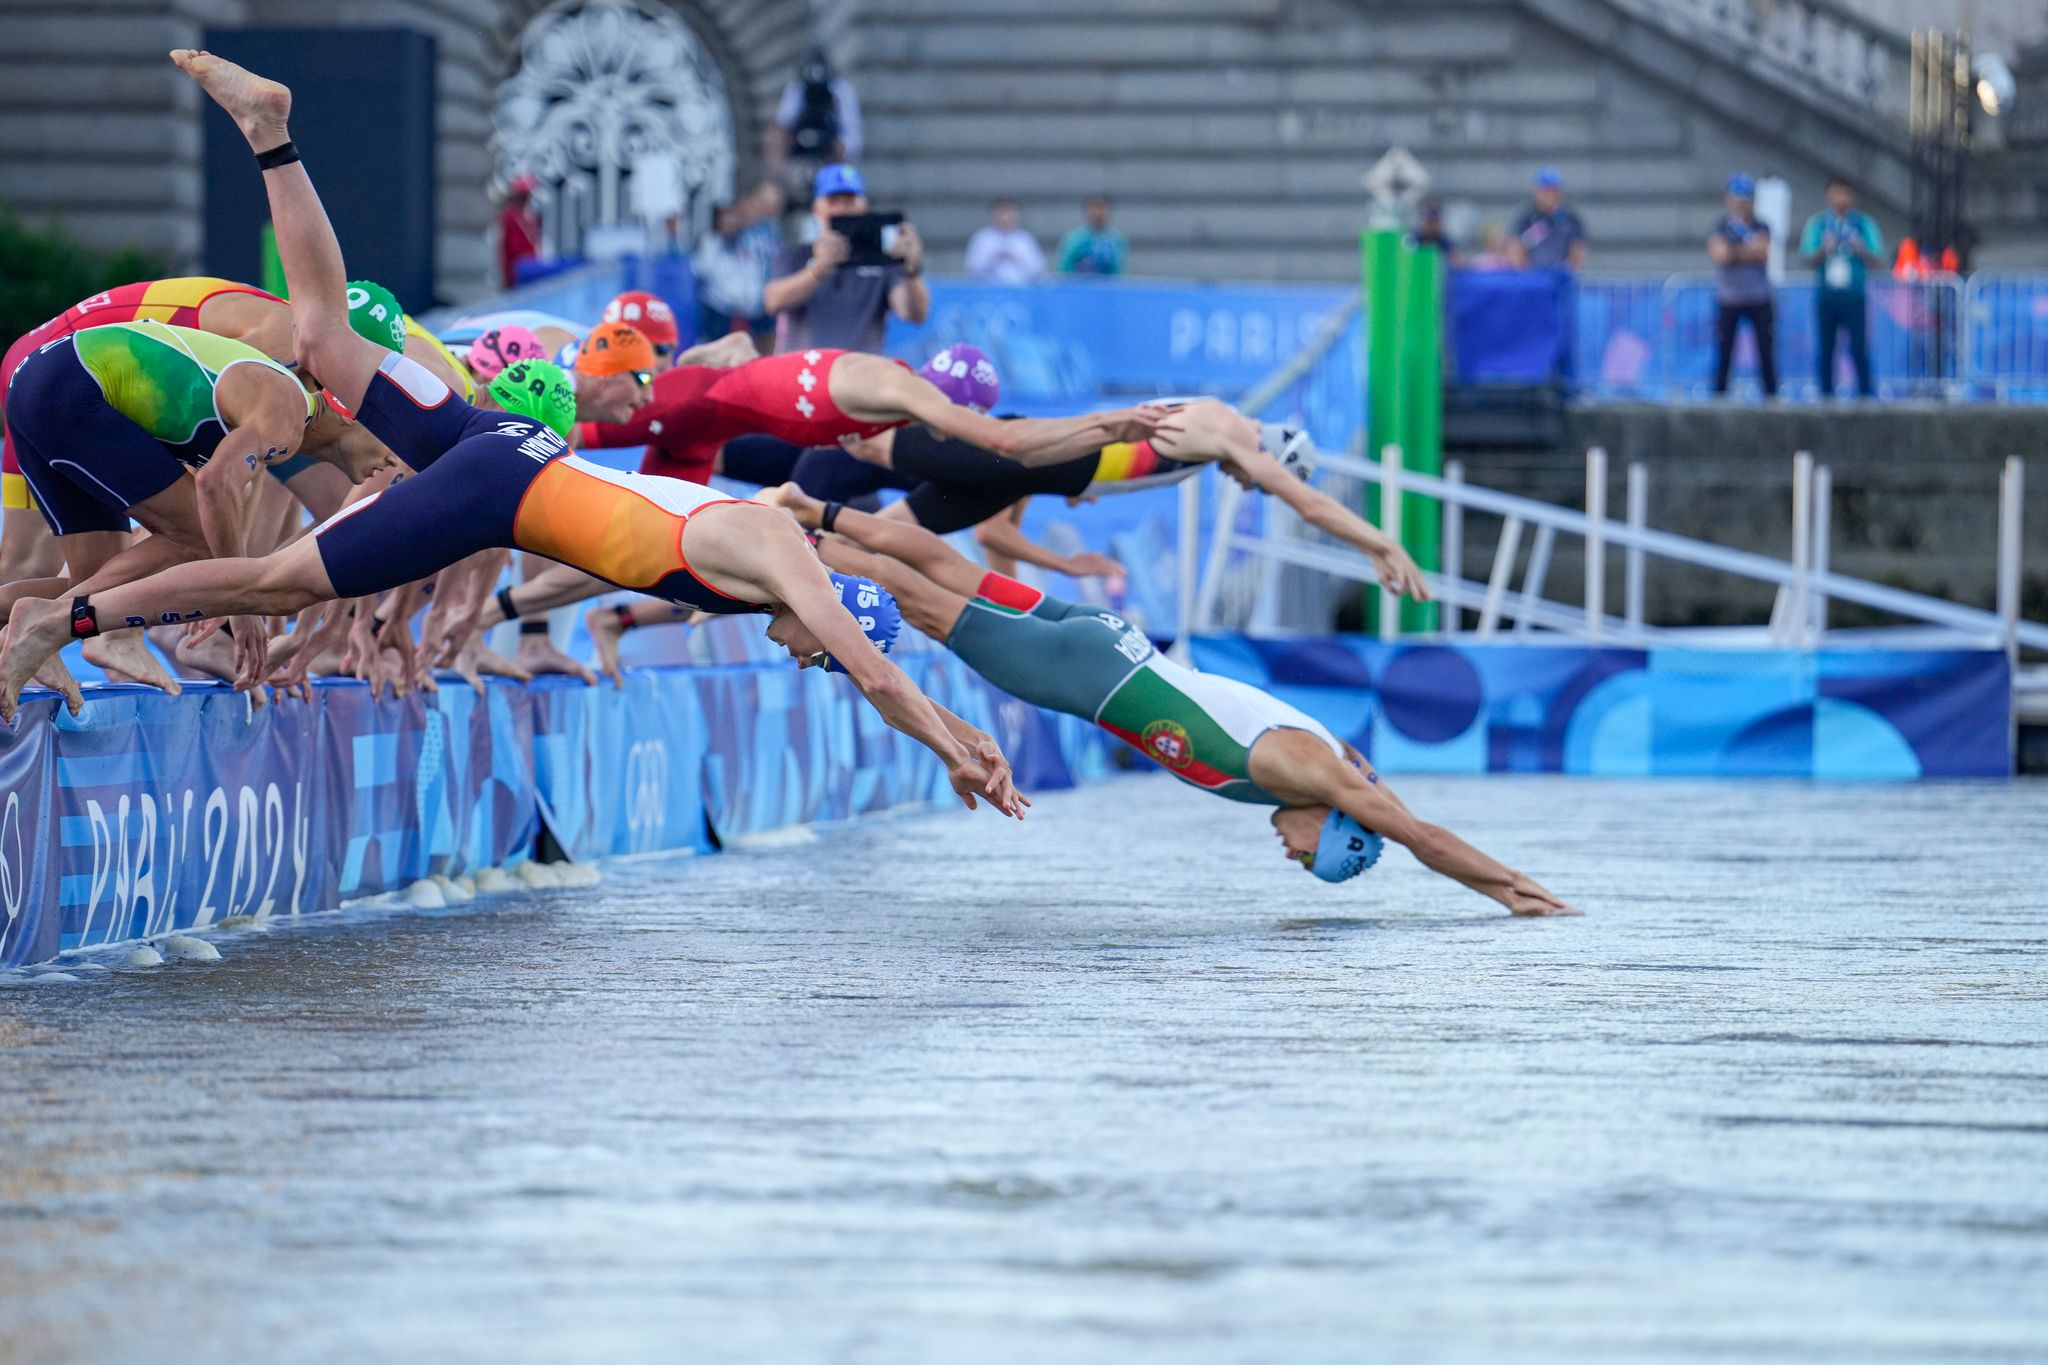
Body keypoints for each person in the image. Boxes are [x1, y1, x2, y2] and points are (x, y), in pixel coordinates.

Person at [1, 49, 1026, 822]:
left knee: (322, 338)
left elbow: (615, 578)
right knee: (279, 583)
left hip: (510, 448)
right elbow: (877, 670)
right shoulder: (786, 569)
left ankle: (270, 131)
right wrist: (951, 747)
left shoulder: (761, 553)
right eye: (819, 655)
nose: (805, 659)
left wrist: (964, 728)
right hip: (506, 489)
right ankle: (63, 623)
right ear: (836, 619)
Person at [766, 485, 1573, 916]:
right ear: (1333, 823)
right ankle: (788, 544)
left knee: (950, 573)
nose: (1289, 855)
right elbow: (1419, 834)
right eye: (1309, 856)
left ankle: (810, 512)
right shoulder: (1310, 772)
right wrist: (1510, 886)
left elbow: (1389, 805)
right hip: (1086, 675)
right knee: (918, 599)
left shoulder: (1335, 766)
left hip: (1111, 640)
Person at [763, 164, 926, 354]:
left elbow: (913, 313)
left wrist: (910, 268)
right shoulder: (797, 255)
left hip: (860, 368)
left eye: (849, 201)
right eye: (832, 201)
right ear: (817, 209)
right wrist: (818, 268)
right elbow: (773, 301)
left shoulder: (882, 260)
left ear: (864, 206)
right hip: (805, 367)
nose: (841, 208)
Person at [1800, 177, 1884, 399]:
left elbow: (1877, 259)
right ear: (1828, 196)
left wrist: (1860, 249)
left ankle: (1865, 395)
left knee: (1859, 347)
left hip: (1854, 296)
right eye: (1836, 193)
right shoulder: (1818, 224)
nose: (1841, 198)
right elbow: (1807, 257)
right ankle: (1825, 395)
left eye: (1845, 193)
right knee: (1826, 348)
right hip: (1827, 296)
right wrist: (1823, 249)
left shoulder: (1864, 224)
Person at [1707, 174, 1777, 398]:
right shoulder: (1720, 227)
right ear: (1728, 199)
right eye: (1737, 197)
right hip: (1730, 298)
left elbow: (1763, 253)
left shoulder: (1761, 225)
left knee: (1765, 351)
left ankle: (1771, 397)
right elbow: (1721, 256)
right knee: (1724, 351)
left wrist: (1734, 253)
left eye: (1746, 197)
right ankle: (1719, 398)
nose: (1742, 202)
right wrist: (1747, 251)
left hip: (1759, 296)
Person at [772, 44, 862, 169]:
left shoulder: (842, 90)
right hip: (799, 154)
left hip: (832, 158)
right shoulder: (796, 89)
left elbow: (852, 137)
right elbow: (782, 125)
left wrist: (840, 150)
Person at [692, 202, 767, 341]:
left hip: (747, 314)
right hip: (717, 313)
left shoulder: (748, 242)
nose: (730, 222)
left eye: (733, 217)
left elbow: (754, 275)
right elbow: (701, 273)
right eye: (725, 217)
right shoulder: (710, 242)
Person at [1510, 169, 1587, 271]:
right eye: (1544, 191)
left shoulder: (1571, 220)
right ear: (1536, 192)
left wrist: (1565, 272)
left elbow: (1578, 252)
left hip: (1560, 276)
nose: (1548, 195)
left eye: (1552, 191)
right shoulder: (1526, 219)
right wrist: (1527, 274)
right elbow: (1516, 251)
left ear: (1560, 193)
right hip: (1532, 275)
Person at [965, 200, 1046, 285]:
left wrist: (1017, 259)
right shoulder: (982, 238)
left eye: (1009, 213)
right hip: (989, 288)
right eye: (1001, 213)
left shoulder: (1025, 239)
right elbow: (972, 267)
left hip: (1020, 288)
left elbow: (1038, 269)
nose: (1005, 218)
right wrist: (993, 259)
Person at [1055, 195, 1127, 277]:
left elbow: (1119, 272)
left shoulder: (1117, 240)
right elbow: (1065, 269)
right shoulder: (1073, 238)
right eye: (1094, 208)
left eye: (1102, 208)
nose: (1098, 213)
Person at [496, 173, 542, 290]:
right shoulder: (510, 217)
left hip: (529, 266)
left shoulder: (529, 216)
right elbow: (509, 247)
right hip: (518, 269)